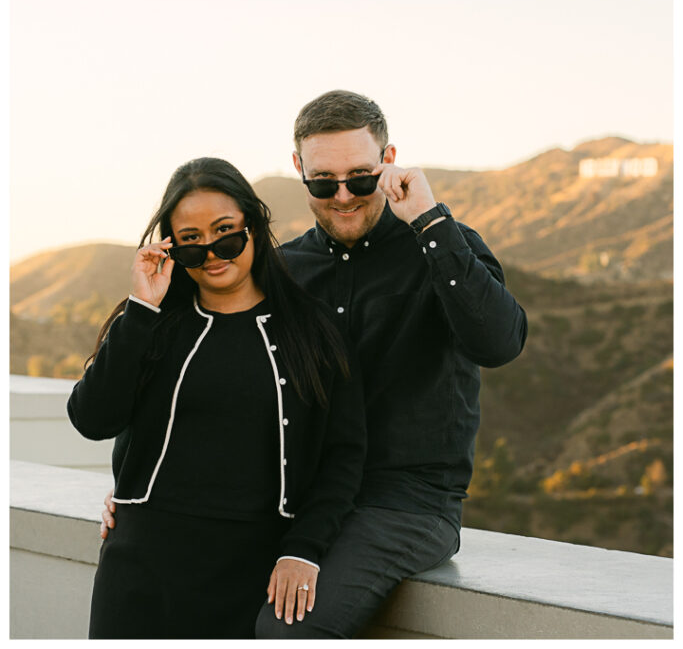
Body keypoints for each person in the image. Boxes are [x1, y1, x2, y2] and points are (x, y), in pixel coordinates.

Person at [102, 91, 528, 639]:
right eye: (325, 182)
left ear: (389, 160)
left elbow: (499, 344)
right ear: (300, 170)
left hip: (402, 504)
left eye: (361, 177)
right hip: (299, 499)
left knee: (286, 630)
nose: (344, 196)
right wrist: (137, 481)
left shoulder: (444, 246)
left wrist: (428, 219)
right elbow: (192, 365)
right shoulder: (285, 269)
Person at [68, 157, 365, 638]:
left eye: (225, 232)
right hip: (140, 568)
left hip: (250, 570)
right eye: (191, 242)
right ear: (171, 245)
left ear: (254, 224)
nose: (212, 252)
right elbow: (92, 419)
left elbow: (344, 456)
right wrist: (142, 308)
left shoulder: (312, 331)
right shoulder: (152, 323)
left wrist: (304, 547)